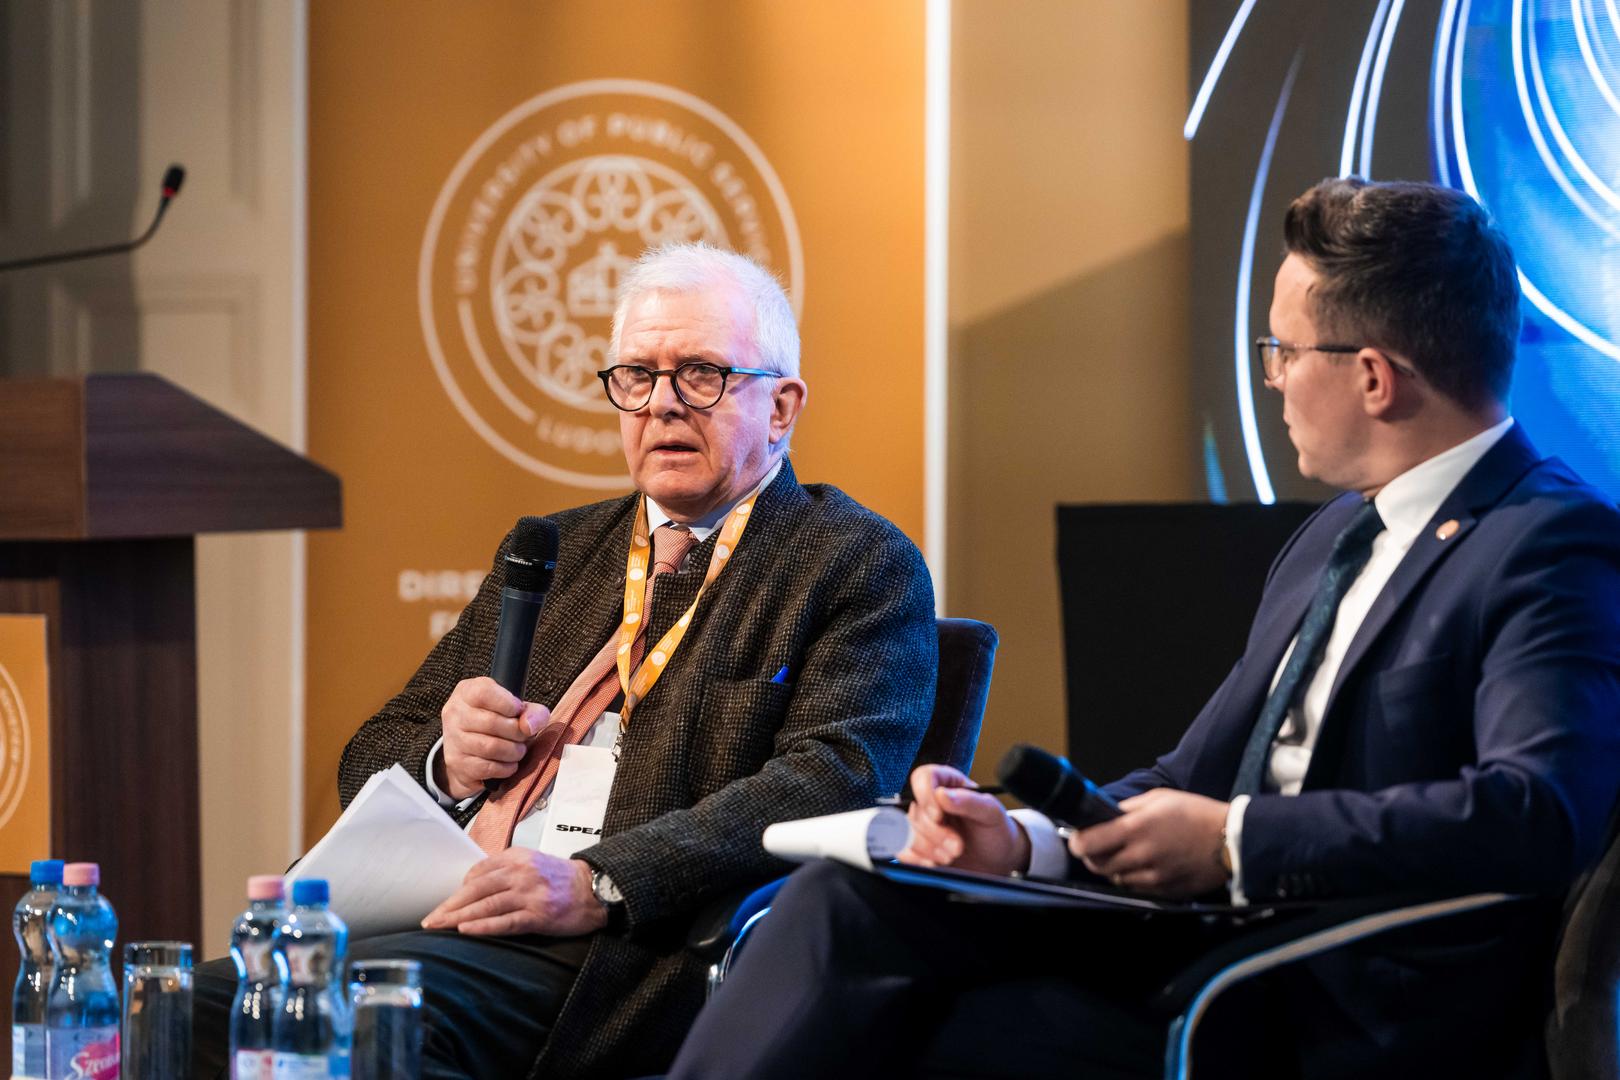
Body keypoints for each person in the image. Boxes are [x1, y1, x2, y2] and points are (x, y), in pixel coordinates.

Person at [667, 179, 1620, 1079]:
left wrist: (1238, 842)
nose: (1273, 380)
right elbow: (1189, 777)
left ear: (1373, 378)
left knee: (909, 1025)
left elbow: (1536, 812)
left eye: (1285, 351)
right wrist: (1025, 841)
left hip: (1339, 990)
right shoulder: (1333, 535)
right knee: (846, 901)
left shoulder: (1546, 542)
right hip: (1208, 936)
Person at [190, 243, 938, 1079]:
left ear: (782, 407)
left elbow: (833, 779)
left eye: (701, 374)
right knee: (189, 1003)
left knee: (354, 1024)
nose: (662, 404)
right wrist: (447, 761)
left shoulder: (851, 561)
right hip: (445, 908)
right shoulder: (558, 547)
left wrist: (598, 882)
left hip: (621, 948)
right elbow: (372, 751)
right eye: (637, 376)